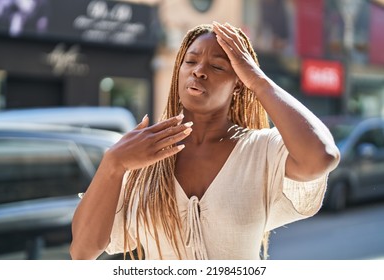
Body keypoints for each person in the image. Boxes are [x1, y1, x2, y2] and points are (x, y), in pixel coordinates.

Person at [70, 22, 340, 260]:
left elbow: (322, 156)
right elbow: (82, 251)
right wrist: (113, 164)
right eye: (191, 61)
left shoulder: (261, 149)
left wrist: (259, 81)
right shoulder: (145, 153)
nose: (199, 71)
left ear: (239, 83)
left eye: (218, 66)